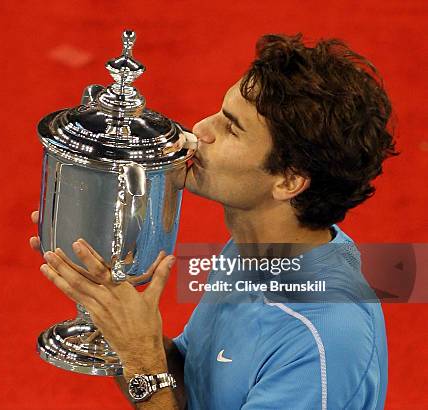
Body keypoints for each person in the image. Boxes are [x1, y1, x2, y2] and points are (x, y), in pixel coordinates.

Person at [29, 33, 397, 409]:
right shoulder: (257, 248)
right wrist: (112, 307)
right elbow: (195, 390)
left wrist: (142, 359)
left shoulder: (321, 341)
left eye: (231, 128)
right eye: (220, 113)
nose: (201, 129)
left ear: (288, 181)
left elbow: (158, 381)